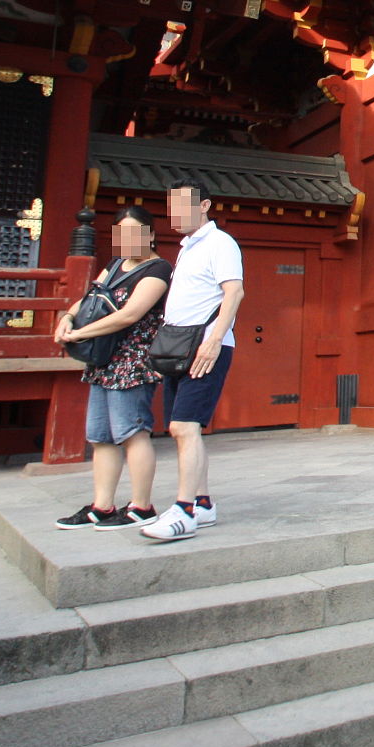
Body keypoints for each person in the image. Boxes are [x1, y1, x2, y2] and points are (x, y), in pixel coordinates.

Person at [52, 206, 171, 530]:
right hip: (104, 361)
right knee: (101, 437)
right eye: (122, 232)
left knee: (132, 433)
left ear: (149, 234)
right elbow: (90, 298)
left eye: (135, 232)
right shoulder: (115, 265)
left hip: (132, 363)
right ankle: (102, 506)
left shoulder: (158, 269)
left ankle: (141, 506)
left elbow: (130, 314)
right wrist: (66, 318)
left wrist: (80, 333)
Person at [141, 180, 245, 544]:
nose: (176, 213)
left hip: (205, 347)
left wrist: (214, 341)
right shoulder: (186, 249)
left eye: (184, 205)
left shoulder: (220, 243)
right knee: (180, 428)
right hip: (179, 346)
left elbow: (234, 291)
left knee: (185, 426)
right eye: (171, 206)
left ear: (204, 206)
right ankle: (202, 503)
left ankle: (183, 511)